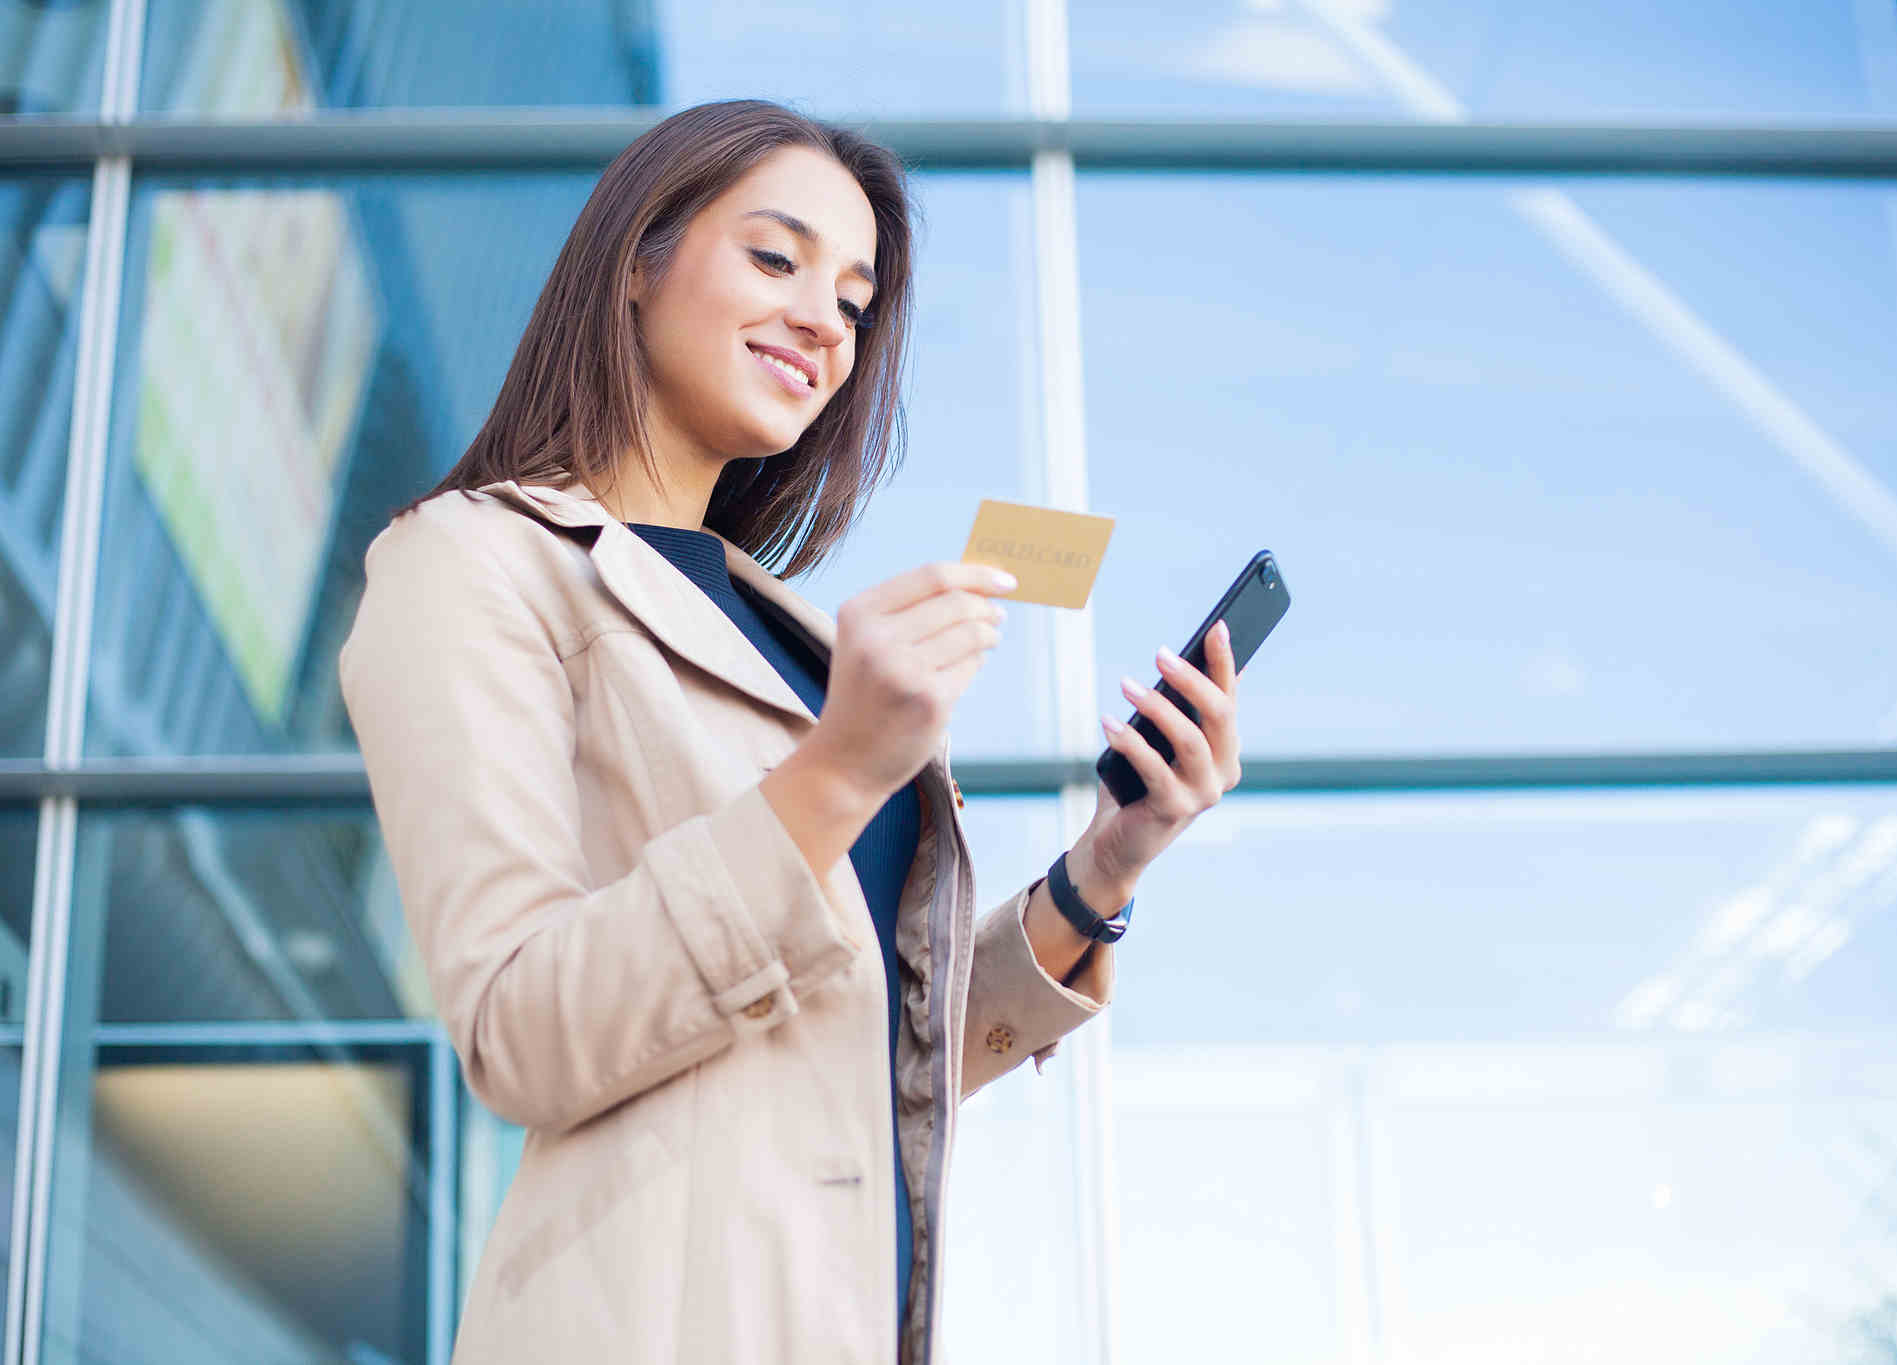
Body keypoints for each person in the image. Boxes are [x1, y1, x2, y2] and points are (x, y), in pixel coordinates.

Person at [338, 98, 1243, 1365]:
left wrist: (1107, 868)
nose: (826, 321)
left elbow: (867, 1041)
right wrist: (836, 772)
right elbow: (519, 1031)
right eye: (776, 260)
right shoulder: (470, 563)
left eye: (856, 302)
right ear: (636, 266)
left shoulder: (790, 637)